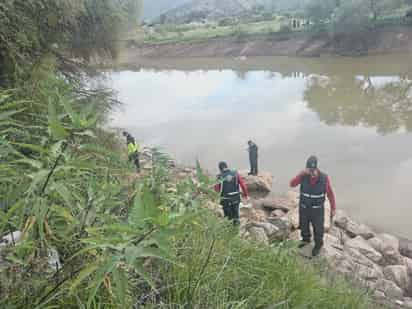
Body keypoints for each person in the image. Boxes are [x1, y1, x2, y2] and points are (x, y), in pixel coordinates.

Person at [289, 155, 336, 257]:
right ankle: (305, 240)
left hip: (317, 210)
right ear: (306, 168)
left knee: (318, 228)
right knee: (304, 225)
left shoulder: (324, 178)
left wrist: (333, 208)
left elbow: (330, 194)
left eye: (313, 170)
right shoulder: (303, 176)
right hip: (304, 207)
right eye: (309, 170)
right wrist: (301, 174)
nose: (311, 172)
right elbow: (292, 184)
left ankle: (318, 245)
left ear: (316, 168)